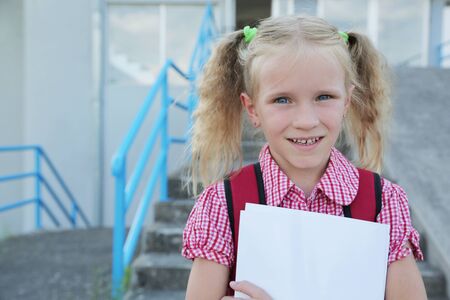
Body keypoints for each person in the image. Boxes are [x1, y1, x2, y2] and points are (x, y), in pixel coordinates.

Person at [182, 15, 427, 300]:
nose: (306, 120)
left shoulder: (384, 202)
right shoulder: (222, 204)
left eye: (324, 97)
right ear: (252, 109)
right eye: (282, 100)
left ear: (347, 101)